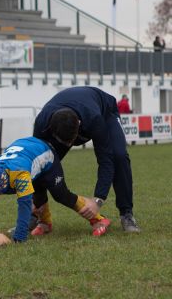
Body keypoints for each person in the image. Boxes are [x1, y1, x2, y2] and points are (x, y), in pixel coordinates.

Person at [0, 137, 110, 245]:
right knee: (38, 193)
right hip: (26, 153)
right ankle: (46, 223)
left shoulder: (20, 175)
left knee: (61, 195)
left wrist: (19, 238)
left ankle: (98, 219)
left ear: (2, 183)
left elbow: (25, 206)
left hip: (45, 154)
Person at [33, 86, 139, 232]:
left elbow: (106, 161)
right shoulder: (42, 123)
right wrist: (38, 200)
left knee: (118, 156)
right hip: (68, 112)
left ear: (79, 127)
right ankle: (38, 215)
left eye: (71, 141)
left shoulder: (94, 119)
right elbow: (36, 163)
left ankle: (126, 213)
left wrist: (98, 200)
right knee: (43, 161)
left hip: (104, 111)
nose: (70, 146)